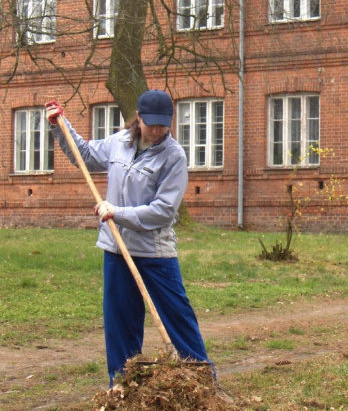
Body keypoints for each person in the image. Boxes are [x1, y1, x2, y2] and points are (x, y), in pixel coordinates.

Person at [45, 90, 219, 390]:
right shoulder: (118, 143)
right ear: (138, 117)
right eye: (151, 124)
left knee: (177, 317)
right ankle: (123, 385)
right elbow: (84, 155)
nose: (157, 131)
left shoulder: (174, 156)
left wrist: (117, 213)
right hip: (116, 249)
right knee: (120, 321)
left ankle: (202, 382)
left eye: (163, 125)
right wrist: (61, 125)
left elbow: (163, 211)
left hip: (154, 253)